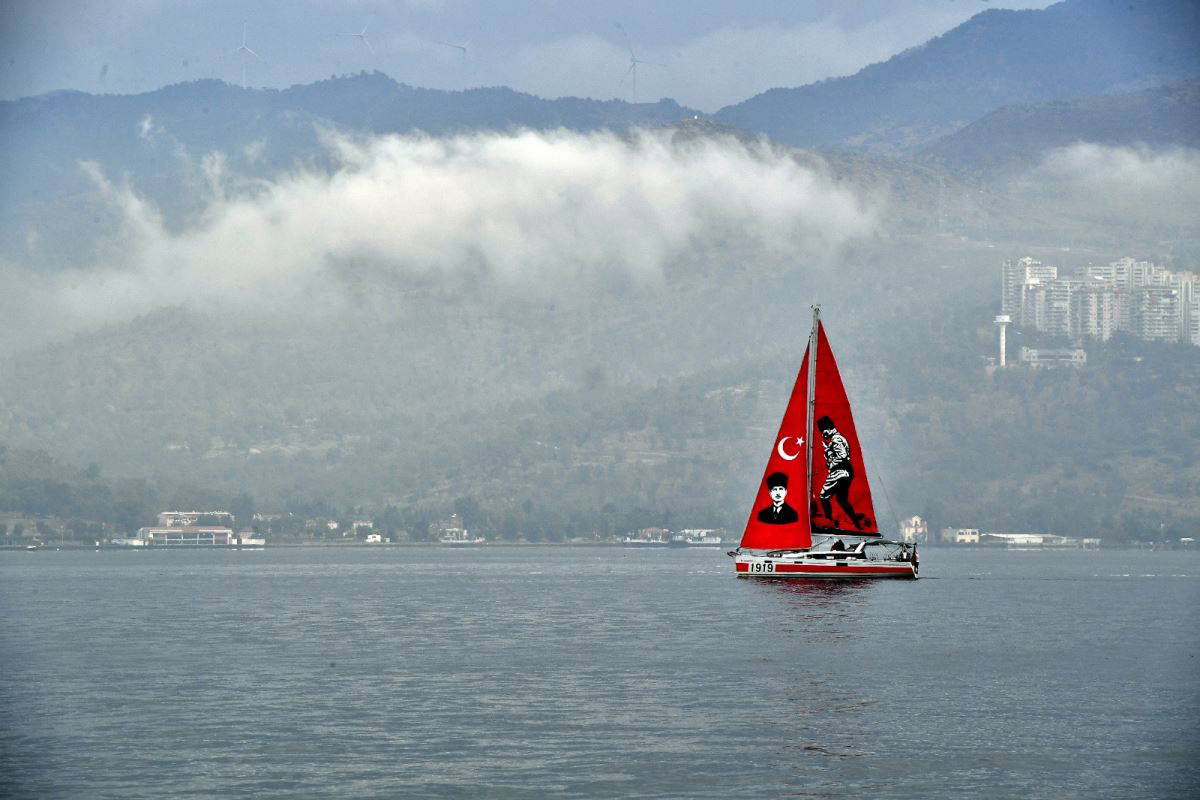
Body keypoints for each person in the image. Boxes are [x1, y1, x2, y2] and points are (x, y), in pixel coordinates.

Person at [815, 416, 868, 531]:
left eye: (823, 430)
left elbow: (842, 456)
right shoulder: (837, 439)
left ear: (828, 428)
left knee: (823, 496)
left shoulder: (836, 439)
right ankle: (857, 524)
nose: (822, 434)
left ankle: (829, 523)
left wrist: (831, 461)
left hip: (838, 472)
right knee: (841, 499)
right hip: (846, 473)